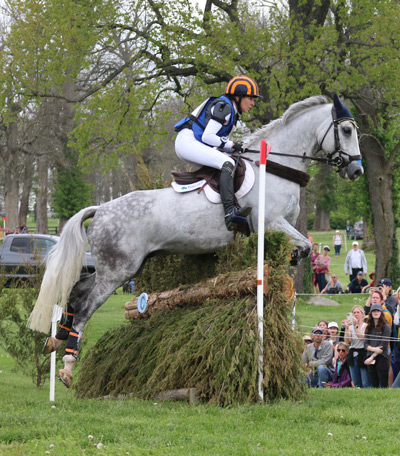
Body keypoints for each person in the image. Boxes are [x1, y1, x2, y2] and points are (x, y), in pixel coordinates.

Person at [174, 75, 261, 231]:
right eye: (250, 98)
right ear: (238, 96)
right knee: (227, 163)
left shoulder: (230, 109)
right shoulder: (225, 107)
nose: (253, 103)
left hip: (193, 142)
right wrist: (233, 144)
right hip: (188, 142)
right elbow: (208, 137)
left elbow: (215, 141)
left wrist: (235, 147)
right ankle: (230, 212)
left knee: (229, 159)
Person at [364, 303, 392, 388]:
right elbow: (365, 344)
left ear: (381, 313)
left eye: (378, 311)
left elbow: (383, 345)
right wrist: (374, 349)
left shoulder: (386, 327)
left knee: (383, 384)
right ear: (371, 313)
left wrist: (371, 357)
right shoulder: (368, 327)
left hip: (382, 357)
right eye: (374, 311)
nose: (376, 312)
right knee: (374, 383)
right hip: (370, 356)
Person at [343, 305, 371, 388]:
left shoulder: (366, 326)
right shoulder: (350, 327)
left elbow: (362, 338)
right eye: (354, 313)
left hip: (363, 353)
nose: (356, 314)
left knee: (365, 381)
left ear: (362, 314)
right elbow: (347, 341)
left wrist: (355, 327)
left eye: (358, 312)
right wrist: (347, 328)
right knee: (356, 382)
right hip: (353, 354)